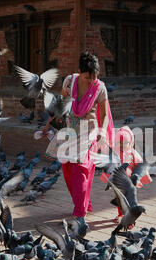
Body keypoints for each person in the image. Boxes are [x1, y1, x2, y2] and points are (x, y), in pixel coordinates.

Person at [42, 52, 114, 225]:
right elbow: (61, 106)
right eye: (88, 77)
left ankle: (80, 213)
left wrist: (102, 131)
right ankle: (83, 203)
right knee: (67, 170)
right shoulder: (69, 81)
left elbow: (104, 115)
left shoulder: (100, 87)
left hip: (88, 131)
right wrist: (48, 124)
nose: (91, 80)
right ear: (80, 72)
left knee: (81, 169)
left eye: (94, 76)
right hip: (69, 130)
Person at [99, 126, 152, 224]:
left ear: (131, 142)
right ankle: (121, 214)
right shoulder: (114, 151)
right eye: (119, 143)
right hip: (118, 181)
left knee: (129, 198)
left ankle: (129, 217)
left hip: (129, 181)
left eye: (125, 143)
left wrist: (143, 177)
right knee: (119, 198)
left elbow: (140, 165)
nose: (122, 146)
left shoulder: (132, 153)